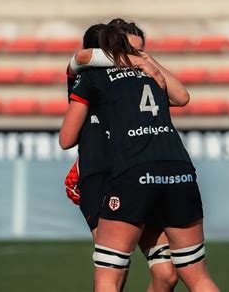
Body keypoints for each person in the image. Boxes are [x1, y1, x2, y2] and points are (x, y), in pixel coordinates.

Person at [60, 21, 220, 292]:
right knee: (177, 275)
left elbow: (182, 97)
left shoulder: (133, 75)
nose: (137, 55)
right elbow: (80, 59)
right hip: (114, 176)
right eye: (131, 50)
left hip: (133, 174)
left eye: (141, 50)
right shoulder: (97, 75)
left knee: (158, 275)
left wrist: (144, 62)